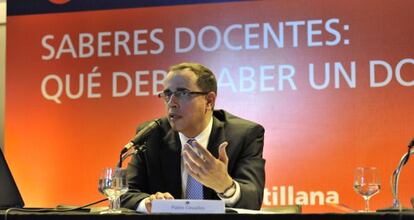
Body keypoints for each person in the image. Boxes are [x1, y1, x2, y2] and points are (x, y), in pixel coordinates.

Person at [121, 62, 265, 212]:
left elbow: (253, 200)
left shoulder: (244, 134)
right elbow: (123, 193)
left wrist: (225, 186)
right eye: (167, 94)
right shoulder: (152, 135)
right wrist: (148, 203)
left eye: (182, 93)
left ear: (209, 101)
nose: (171, 103)